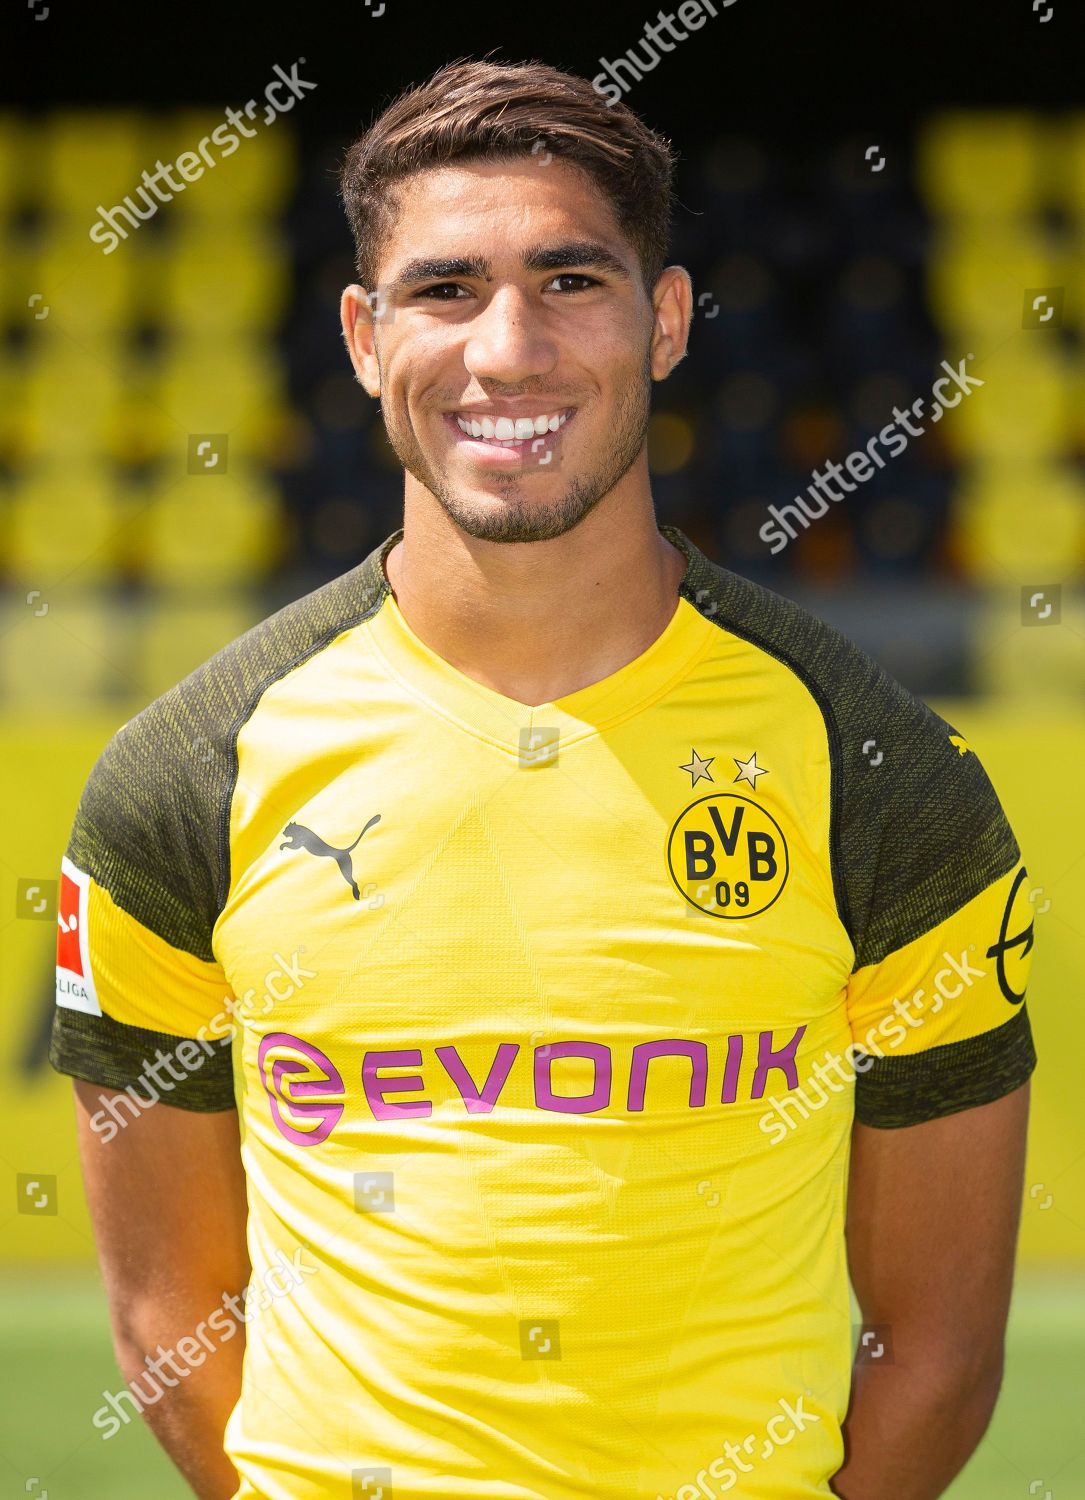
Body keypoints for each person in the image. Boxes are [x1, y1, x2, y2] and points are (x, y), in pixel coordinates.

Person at [51, 55, 1037, 1500]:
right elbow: (170, 1317)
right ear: (360, 336)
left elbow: (938, 1345)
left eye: (570, 281)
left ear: (668, 321)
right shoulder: (178, 775)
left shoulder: (878, 770)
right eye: (444, 290)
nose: (506, 352)